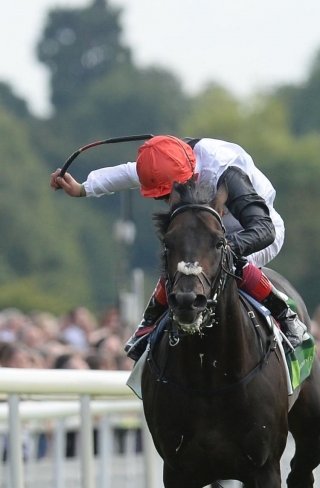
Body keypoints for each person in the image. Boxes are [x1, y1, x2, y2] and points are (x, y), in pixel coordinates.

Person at [49, 135, 305, 360]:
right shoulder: (166, 160)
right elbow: (128, 173)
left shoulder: (227, 174)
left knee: (221, 259)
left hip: (252, 230)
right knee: (179, 252)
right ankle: (149, 322)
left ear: (190, 175)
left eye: (166, 195)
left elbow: (265, 231)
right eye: (160, 197)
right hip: (206, 232)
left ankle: (286, 315)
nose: (167, 201)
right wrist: (83, 188)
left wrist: (221, 246)